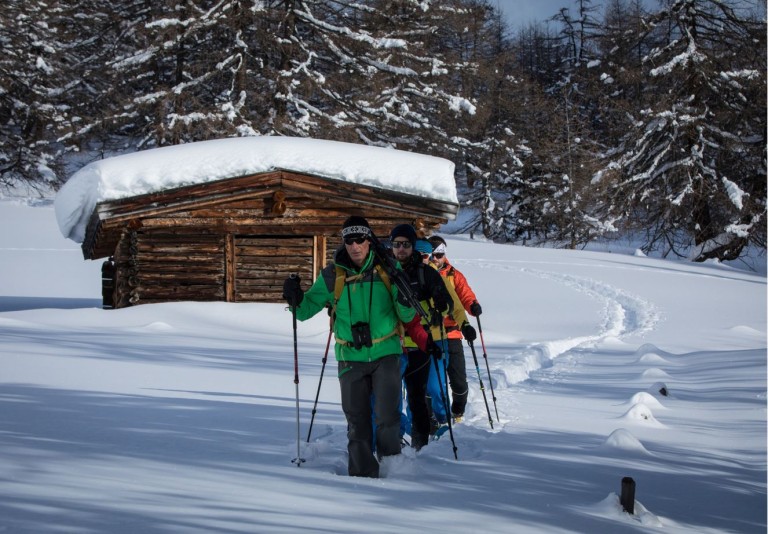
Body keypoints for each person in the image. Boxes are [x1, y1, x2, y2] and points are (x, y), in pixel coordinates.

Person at [282, 216, 428, 478]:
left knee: (387, 417)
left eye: (360, 239)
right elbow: (304, 312)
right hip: (350, 355)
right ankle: (361, 476)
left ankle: (392, 471)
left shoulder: (389, 269)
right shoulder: (332, 275)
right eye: (349, 241)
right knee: (357, 421)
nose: (354, 246)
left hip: (386, 352)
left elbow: (406, 316)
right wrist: (295, 298)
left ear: (369, 241)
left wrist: (407, 300)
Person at [389, 224, 467, 449]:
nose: (425, 258)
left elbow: (453, 303)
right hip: (397, 342)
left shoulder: (431, 275)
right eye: (422, 255)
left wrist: (459, 320)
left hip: (429, 340)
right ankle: (401, 433)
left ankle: (436, 427)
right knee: (395, 395)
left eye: (427, 255)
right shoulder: (390, 273)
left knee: (427, 390)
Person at [427, 235, 480, 423]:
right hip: (430, 335)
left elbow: (464, 294)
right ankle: (432, 417)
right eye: (432, 255)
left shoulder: (453, 275)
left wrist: (472, 305)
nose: (436, 259)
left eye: (439, 255)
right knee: (432, 382)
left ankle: (458, 411)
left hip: (452, 334)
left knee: (458, 381)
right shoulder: (424, 273)